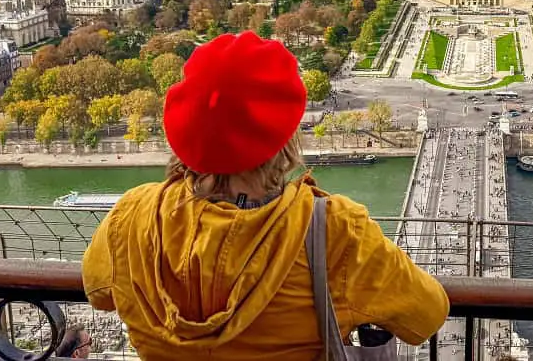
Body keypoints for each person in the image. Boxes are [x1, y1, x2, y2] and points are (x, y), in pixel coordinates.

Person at [82, 31, 449, 361]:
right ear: (285, 137)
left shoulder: (130, 217)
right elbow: (428, 314)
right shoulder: (335, 232)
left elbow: (98, 293)